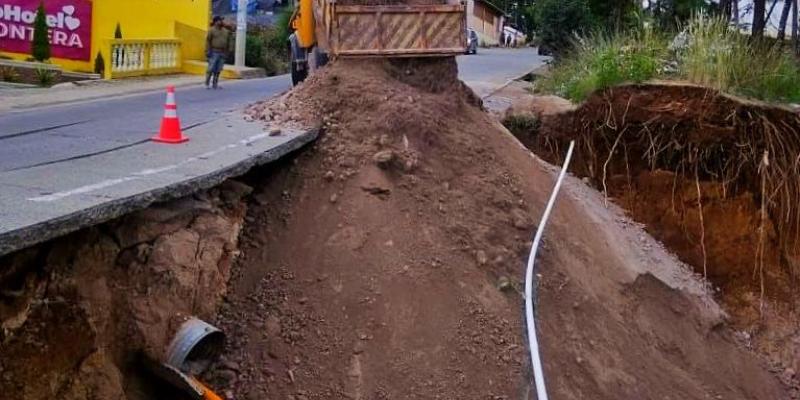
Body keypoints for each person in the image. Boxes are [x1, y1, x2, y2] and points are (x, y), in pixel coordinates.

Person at [206, 16, 231, 89]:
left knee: (219, 69)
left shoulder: (226, 31)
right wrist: (207, 51)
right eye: (219, 21)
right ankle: (207, 83)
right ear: (215, 22)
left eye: (221, 20)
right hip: (214, 51)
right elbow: (208, 41)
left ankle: (215, 83)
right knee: (211, 68)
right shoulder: (211, 30)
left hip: (222, 52)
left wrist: (228, 51)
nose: (221, 22)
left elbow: (228, 42)